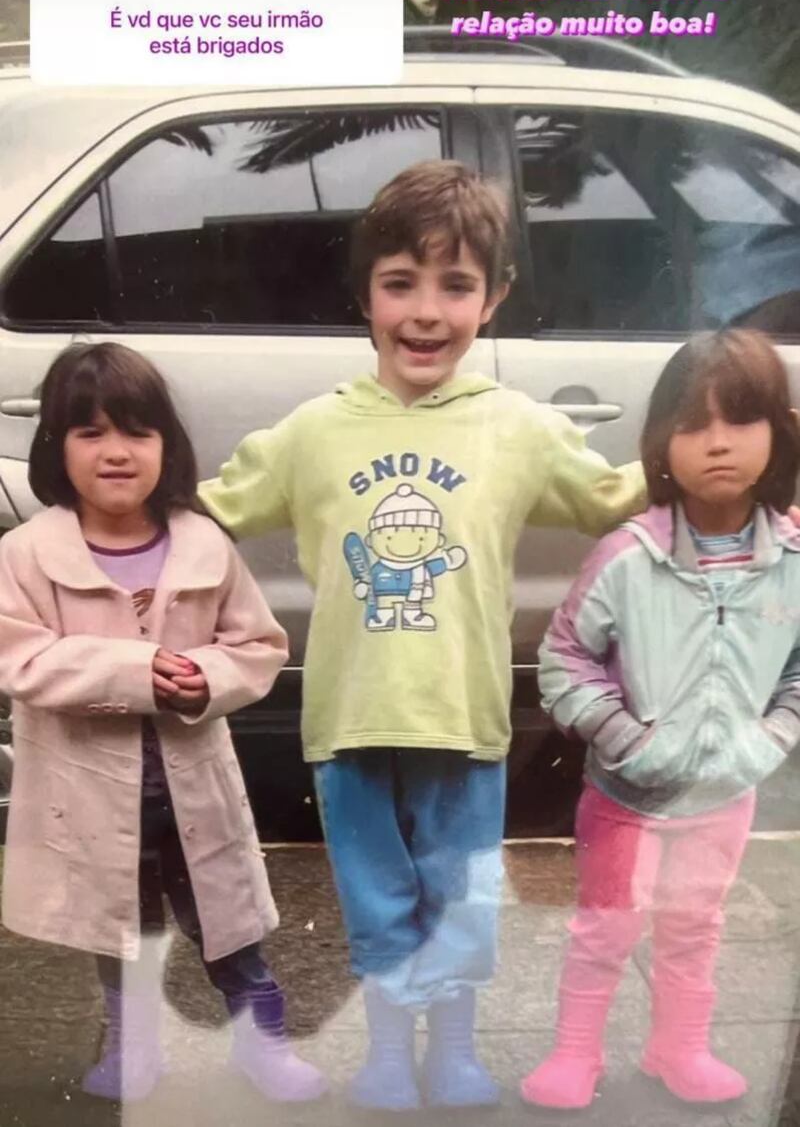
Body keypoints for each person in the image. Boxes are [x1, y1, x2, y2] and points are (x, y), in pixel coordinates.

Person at [199, 160, 646, 1110]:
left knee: (461, 901)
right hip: (348, 723)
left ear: (496, 295)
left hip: (466, 720)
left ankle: (454, 1051)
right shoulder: (312, 431)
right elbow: (206, 515)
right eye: (400, 282)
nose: (427, 311)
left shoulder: (519, 427)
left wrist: (737, 455)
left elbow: (610, 496)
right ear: (364, 292)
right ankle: (388, 1055)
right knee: (376, 904)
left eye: (457, 284)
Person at [0, 343, 326, 1104]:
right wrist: (130, 670)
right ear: (55, 448)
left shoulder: (204, 543)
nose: (115, 452)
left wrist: (205, 678)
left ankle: (262, 1042)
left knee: (229, 924)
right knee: (119, 926)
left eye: (136, 432)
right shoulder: (26, 554)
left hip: (190, 788)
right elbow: (19, 656)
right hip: (87, 790)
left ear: (167, 446)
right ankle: (134, 1043)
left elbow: (258, 644)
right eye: (90, 432)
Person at [520, 328, 800, 1110]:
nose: (718, 441)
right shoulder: (627, 555)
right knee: (606, 927)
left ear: (779, 432)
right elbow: (564, 656)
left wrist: (769, 738)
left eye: (740, 418)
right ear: (660, 442)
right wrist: (624, 738)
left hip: (726, 794)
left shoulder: (793, 560)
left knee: (694, 923)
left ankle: (680, 1047)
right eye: (693, 422)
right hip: (627, 797)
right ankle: (575, 1052)